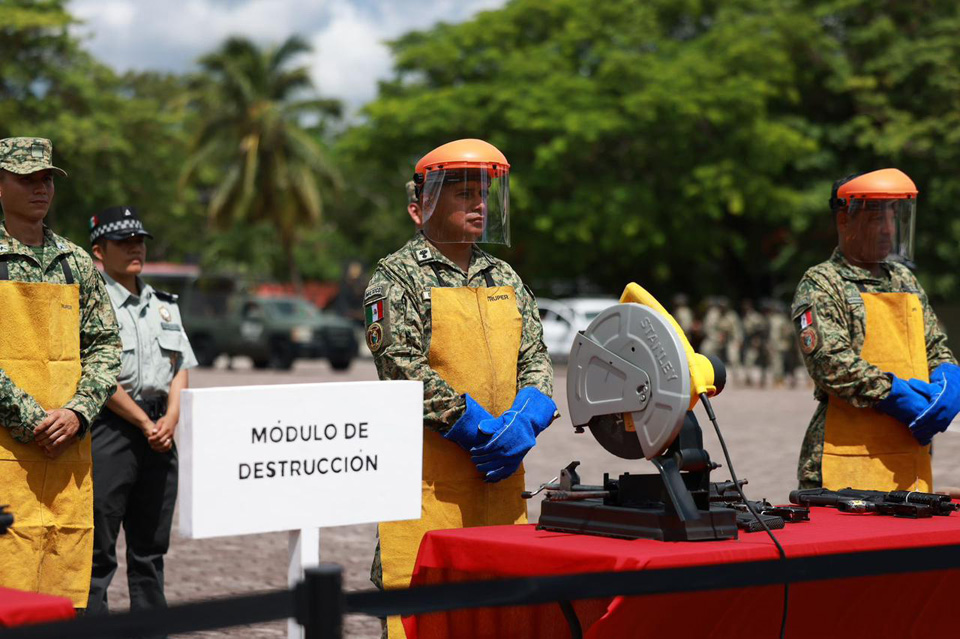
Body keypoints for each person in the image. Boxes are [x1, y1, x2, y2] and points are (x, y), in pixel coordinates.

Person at [364, 139, 555, 638]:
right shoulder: (396, 278)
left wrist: (527, 416)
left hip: (501, 483)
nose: (478, 204)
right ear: (419, 207)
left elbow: (535, 357)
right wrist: (474, 426)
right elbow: (401, 366)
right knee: (421, 616)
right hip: (428, 487)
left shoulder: (504, 276)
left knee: (499, 617)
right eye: (463, 194)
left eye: (483, 194)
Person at [0, 137, 121, 608]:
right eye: (27, 178)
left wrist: (77, 412)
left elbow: (106, 345)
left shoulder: (76, 263)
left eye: (46, 178)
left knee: (61, 584)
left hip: (68, 450)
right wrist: (30, 417)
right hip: (8, 447)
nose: (40, 188)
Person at [792, 169, 959, 491]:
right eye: (875, 220)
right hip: (844, 453)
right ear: (844, 221)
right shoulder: (822, 282)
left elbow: (934, 343)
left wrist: (948, 376)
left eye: (892, 219)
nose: (887, 230)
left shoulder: (904, 279)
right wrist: (894, 395)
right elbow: (829, 362)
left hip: (909, 450)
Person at [85, 207, 197, 617]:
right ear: (99, 250)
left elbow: (180, 366)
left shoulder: (164, 304)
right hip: (111, 429)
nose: (135, 248)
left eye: (140, 240)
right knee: (98, 551)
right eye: (123, 242)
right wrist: (146, 422)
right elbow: (97, 375)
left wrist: (169, 420)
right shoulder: (91, 302)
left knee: (151, 550)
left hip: (159, 433)